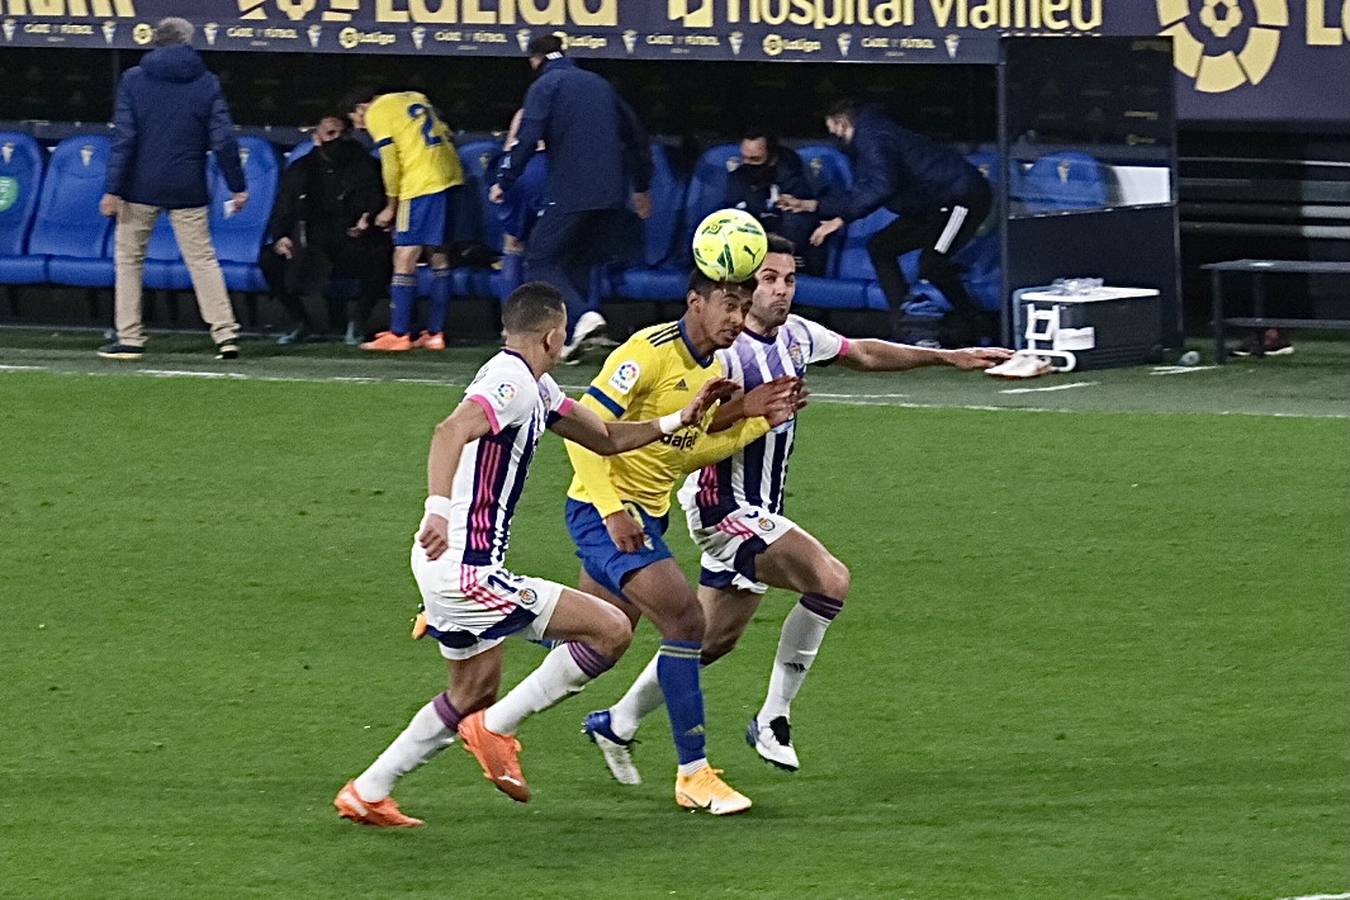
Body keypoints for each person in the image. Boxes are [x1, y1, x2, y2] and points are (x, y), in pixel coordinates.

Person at [584, 235, 1011, 779]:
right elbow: (693, 424)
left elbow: (863, 352)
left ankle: (617, 721)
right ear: (740, 285)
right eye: (768, 280)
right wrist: (747, 408)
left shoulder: (799, 336)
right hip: (723, 505)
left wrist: (946, 356)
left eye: (788, 279)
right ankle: (773, 719)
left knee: (712, 640)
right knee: (829, 579)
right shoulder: (720, 351)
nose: (781, 290)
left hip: (761, 503)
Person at [334, 282, 737, 826]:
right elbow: (450, 430)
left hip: (446, 568)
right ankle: (494, 729)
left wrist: (677, 420)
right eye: (565, 334)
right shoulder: (511, 384)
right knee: (612, 629)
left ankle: (369, 790)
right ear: (552, 336)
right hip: (468, 569)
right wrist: (435, 507)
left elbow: (606, 438)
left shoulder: (536, 387)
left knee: (474, 688)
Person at [566, 270, 803, 815]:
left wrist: (755, 419)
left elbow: (684, 453)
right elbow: (581, 432)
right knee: (689, 625)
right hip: (609, 511)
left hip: (650, 513)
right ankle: (694, 772)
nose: (737, 319)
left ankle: (478, 610)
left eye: (744, 308)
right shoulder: (645, 352)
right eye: (729, 304)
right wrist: (610, 510)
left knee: (592, 637)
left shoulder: (715, 368)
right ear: (695, 301)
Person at [779, 99, 993, 347]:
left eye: (834, 130)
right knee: (881, 247)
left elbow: (882, 185)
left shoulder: (873, 137)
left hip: (960, 197)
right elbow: (862, 190)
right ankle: (906, 325)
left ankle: (975, 325)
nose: (834, 137)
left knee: (933, 263)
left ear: (843, 122)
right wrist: (811, 206)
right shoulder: (868, 140)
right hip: (931, 206)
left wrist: (842, 218)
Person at [492, 34, 652, 361]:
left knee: (540, 258)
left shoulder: (545, 86)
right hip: (612, 193)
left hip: (571, 190)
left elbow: (526, 140)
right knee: (577, 260)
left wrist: (504, 180)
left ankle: (584, 318)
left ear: (535, 60)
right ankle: (574, 341)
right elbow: (636, 135)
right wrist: (642, 186)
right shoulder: (600, 84)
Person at [96, 17, 245, 362]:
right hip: (187, 184)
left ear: (156, 41)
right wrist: (237, 185)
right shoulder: (206, 82)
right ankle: (225, 335)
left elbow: (125, 139)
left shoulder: (133, 80)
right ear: (189, 41)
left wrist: (112, 189)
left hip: (139, 185)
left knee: (130, 260)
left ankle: (130, 338)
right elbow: (223, 140)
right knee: (203, 260)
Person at [347, 88, 465, 352]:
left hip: (421, 184)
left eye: (356, 119)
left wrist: (391, 205)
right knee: (438, 254)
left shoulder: (378, 111)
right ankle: (436, 332)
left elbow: (391, 163)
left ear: (362, 107)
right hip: (451, 177)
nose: (360, 126)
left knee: (404, 255)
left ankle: (399, 334)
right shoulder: (417, 97)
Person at [260, 114, 391, 345]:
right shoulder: (301, 169)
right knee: (270, 258)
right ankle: (300, 321)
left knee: (381, 254)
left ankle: (358, 320)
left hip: (353, 242)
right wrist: (281, 237)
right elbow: (283, 208)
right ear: (317, 137)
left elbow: (376, 201)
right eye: (330, 134)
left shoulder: (367, 165)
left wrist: (367, 220)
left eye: (341, 134)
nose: (336, 140)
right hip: (312, 244)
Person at [723, 129, 821, 274]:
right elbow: (729, 218)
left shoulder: (795, 179)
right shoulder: (738, 176)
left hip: (791, 262)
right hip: (745, 257)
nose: (747, 164)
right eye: (744, 158)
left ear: (772, 158)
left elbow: (793, 235)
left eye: (755, 159)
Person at [492, 109, 548, 299]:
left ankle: (511, 325)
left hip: (515, 167)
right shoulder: (572, 109)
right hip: (547, 166)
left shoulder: (525, 111)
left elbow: (510, 146)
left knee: (513, 244)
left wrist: (503, 181)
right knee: (554, 246)